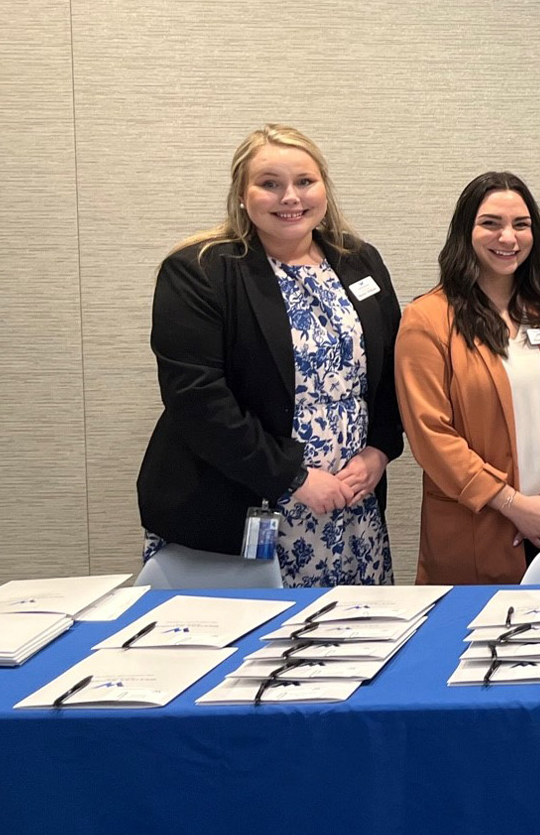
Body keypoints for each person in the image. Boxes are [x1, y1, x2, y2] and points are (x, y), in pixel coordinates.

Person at [137, 124, 403, 587]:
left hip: (351, 508)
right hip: (241, 507)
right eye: (270, 183)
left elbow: (391, 368)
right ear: (242, 194)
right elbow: (197, 400)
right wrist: (293, 477)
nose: (290, 197)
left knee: (355, 646)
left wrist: (380, 450)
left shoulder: (359, 260)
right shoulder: (198, 271)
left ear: (324, 187)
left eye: (304, 181)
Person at [395, 172, 540, 584]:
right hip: (475, 531)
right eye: (491, 223)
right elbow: (431, 435)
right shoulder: (428, 319)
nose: (508, 238)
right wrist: (512, 504)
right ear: (465, 231)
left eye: (521, 225)